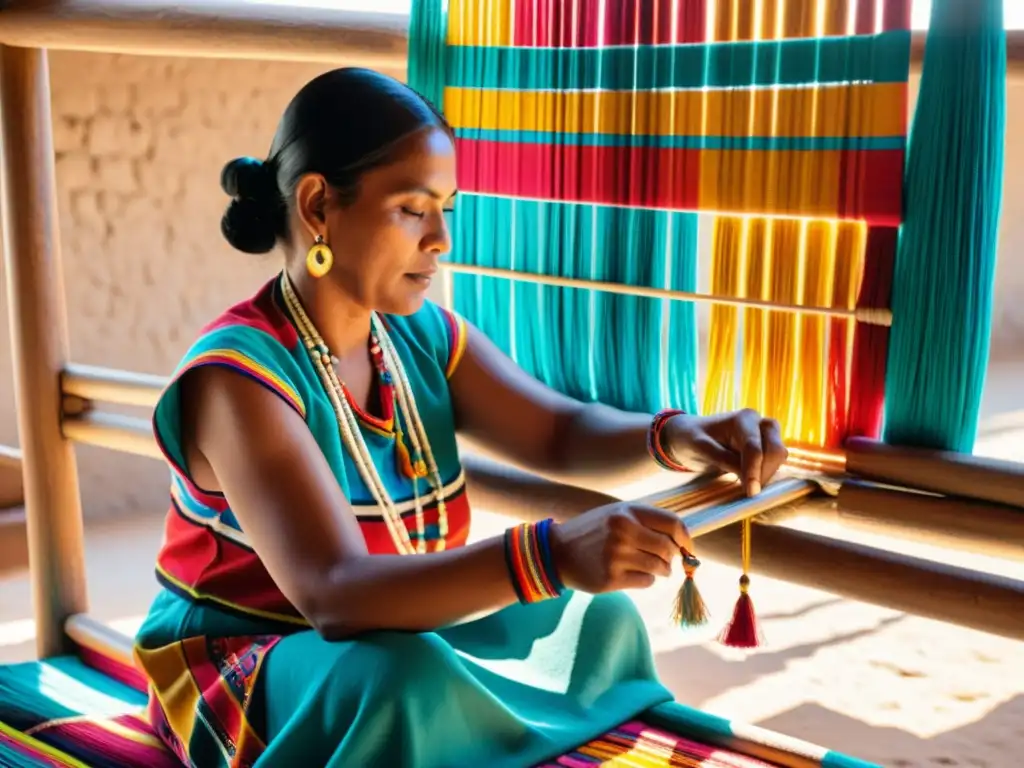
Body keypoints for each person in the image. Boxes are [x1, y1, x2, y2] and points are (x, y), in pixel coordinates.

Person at [134, 67, 788, 768]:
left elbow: (557, 430)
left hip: (394, 631)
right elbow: (335, 593)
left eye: (448, 207)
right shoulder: (239, 379)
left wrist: (680, 435)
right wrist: (555, 553)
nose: (441, 238)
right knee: (400, 682)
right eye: (413, 209)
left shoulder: (420, 337)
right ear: (319, 206)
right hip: (252, 658)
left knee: (596, 621)